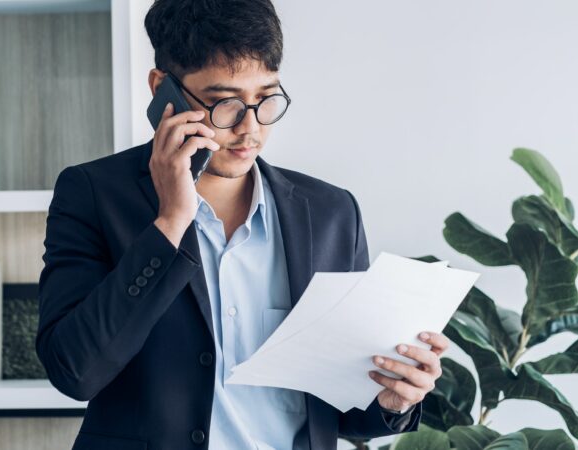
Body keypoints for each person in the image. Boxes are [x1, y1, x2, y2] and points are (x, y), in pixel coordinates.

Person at [36, 1, 449, 449]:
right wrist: (171, 222)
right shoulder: (93, 193)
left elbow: (339, 414)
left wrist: (392, 400)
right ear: (162, 90)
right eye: (223, 104)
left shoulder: (331, 213)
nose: (250, 128)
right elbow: (74, 372)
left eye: (265, 98)